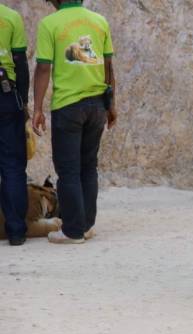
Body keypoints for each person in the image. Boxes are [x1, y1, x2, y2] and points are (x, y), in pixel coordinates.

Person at [32, 0, 117, 244]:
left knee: (68, 170)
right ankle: (87, 225)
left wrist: (37, 108)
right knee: (89, 167)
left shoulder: (49, 24)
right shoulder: (99, 21)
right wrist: (112, 105)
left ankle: (72, 231)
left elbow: (44, 68)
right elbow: (109, 67)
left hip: (67, 106)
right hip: (97, 104)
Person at [0, 4, 29, 246]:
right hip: (5, 95)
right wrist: (24, 103)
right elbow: (20, 63)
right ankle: (16, 231)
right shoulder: (10, 17)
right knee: (12, 165)